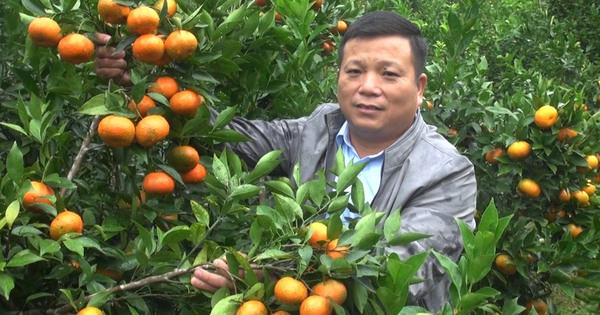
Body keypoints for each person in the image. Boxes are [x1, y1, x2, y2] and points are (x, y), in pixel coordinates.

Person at [95, 10, 477, 311]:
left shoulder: (446, 172)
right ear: (339, 76)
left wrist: (273, 267)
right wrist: (139, 83)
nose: (368, 87)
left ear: (419, 86)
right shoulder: (318, 127)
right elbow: (233, 136)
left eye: (389, 74)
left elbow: (403, 273)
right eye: (355, 71)